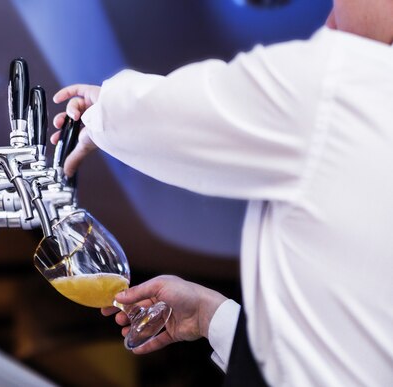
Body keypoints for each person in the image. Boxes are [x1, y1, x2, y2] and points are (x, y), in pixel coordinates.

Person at [50, 1, 393, 386]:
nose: (331, 13)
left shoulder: (347, 83)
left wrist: (101, 111)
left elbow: (188, 115)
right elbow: (341, 345)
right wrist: (212, 317)